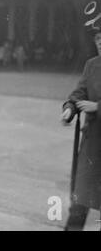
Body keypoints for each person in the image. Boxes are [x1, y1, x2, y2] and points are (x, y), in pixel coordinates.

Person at [61, 31, 101, 230]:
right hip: (93, 143)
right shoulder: (92, 65)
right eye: (98, 39)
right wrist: (70, 108)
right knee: (81, 197)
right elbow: (80, 92)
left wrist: (98, 107)